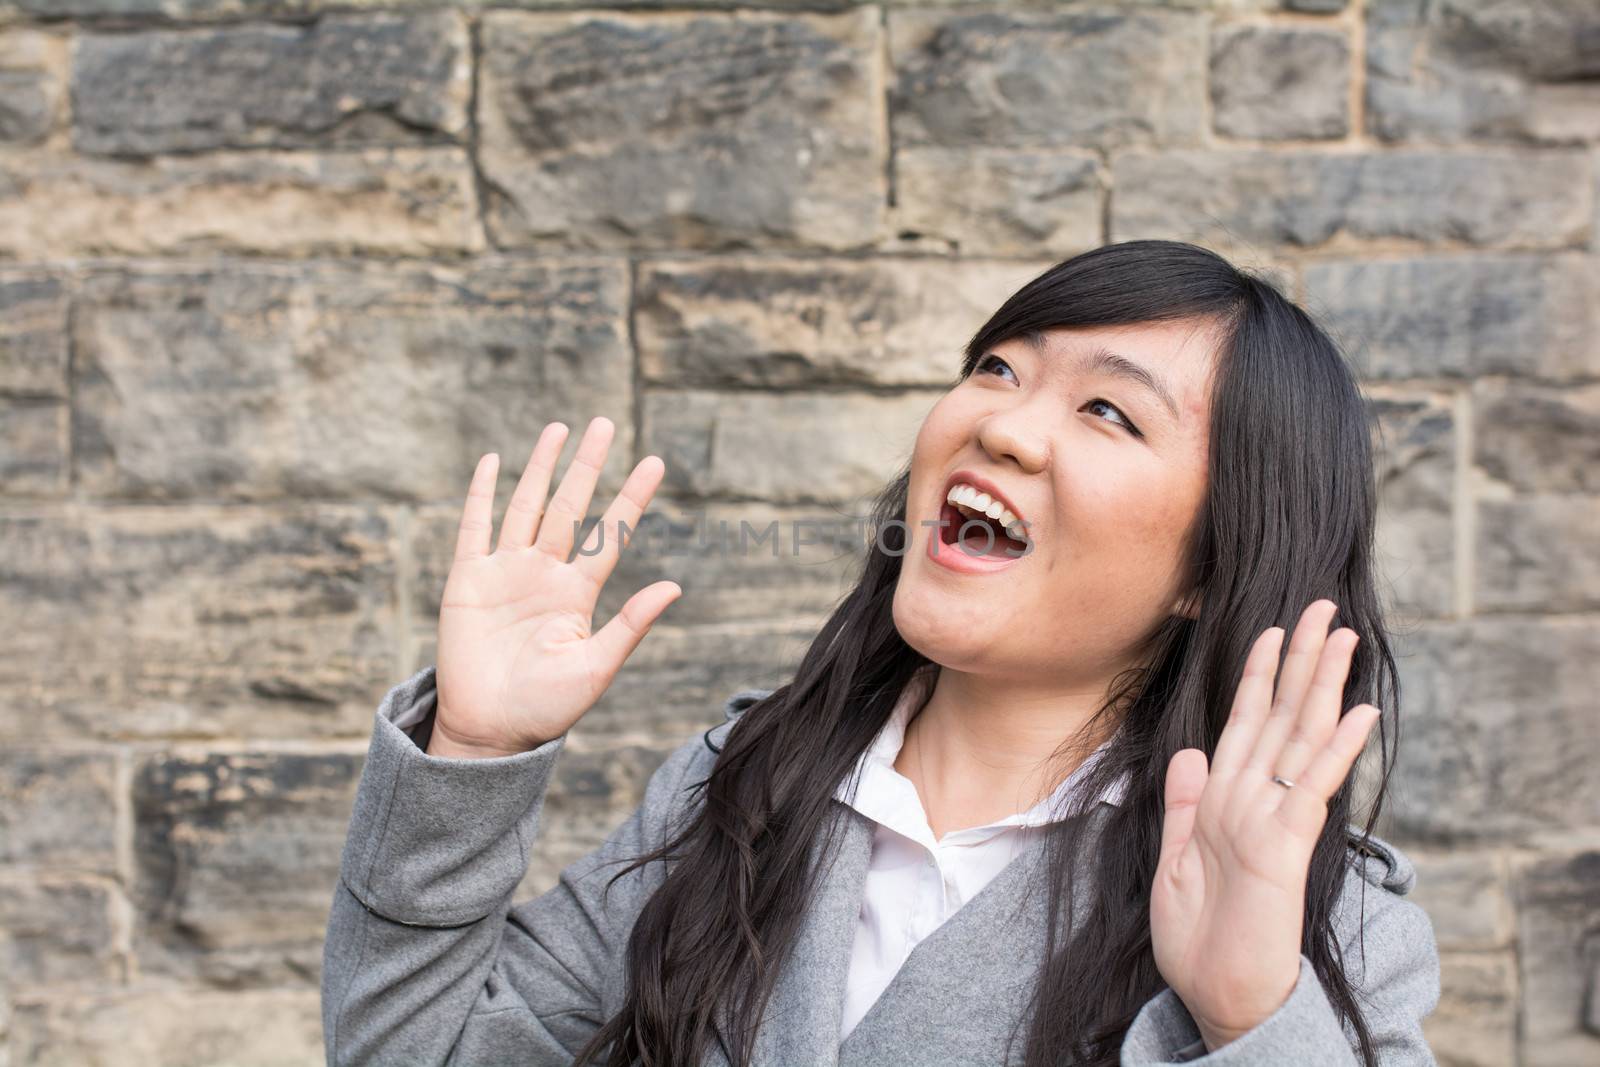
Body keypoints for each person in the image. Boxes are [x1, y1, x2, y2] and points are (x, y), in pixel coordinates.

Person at [321, 240, 1440, 1066]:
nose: (999, 423)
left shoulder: (1318, 924)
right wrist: (467, 753)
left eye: (1108, 411)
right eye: (997, 367)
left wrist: (1247, 1013)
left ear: (1214, 560)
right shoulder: (739, 789)